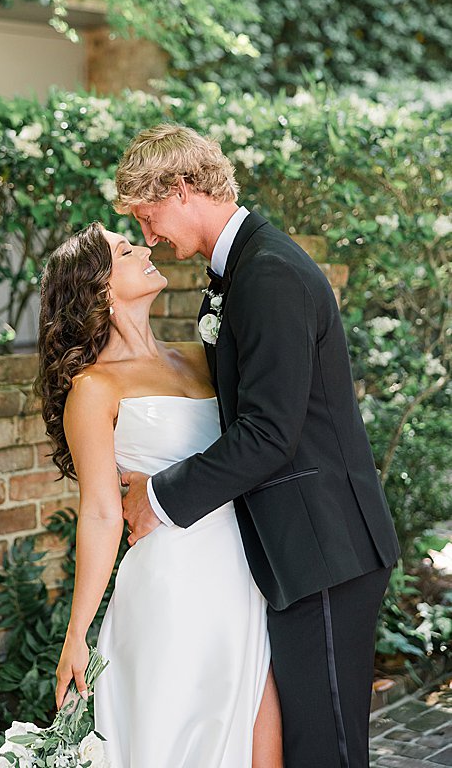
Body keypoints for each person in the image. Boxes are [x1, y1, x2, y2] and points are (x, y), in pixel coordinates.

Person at [114, 123, 399, 767]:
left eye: (149, 216)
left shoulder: (268, 274)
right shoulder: (239, 271)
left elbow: (270, 433)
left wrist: (157, 498)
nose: (150, 235)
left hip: (325, 548)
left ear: (184, 187)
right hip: (299, 547)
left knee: (325, 750)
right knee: (303, 744)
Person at [42, 223, 282, 768]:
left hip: (245, 574)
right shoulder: (94, 388)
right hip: (170, 587)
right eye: (126, 251)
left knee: (258, 742)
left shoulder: (200, 359)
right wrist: (77, 633)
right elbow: (103, 513)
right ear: (99, 288)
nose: (146, 247)